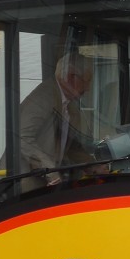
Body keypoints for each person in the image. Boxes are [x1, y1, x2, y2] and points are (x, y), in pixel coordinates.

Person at [17, 51, 99, 179]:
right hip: (19, 184)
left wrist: (94, 166)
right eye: (87, 81)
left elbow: (71, 147)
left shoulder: (69, 106)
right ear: (71, 77)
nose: (88, 88)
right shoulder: (44, 96)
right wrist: (49, 170)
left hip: (45, 183)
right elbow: (22, 137)